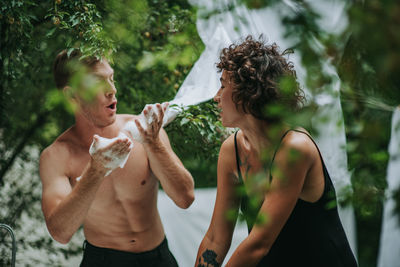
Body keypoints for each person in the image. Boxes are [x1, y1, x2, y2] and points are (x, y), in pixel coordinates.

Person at [195, 36, 357, 267]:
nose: (216, 97)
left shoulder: (295, 148)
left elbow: (258, 244)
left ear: (248, 92)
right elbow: (215, 239)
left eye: (223, 85)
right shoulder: (232, 150)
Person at [40, 49, 195, 267]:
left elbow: (185, 197)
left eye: (111, 79)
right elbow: (60, 232)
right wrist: (96, 170)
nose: (112, 90)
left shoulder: (145, 130)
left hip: (158, 258)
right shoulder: (56, 155)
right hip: (102, 261)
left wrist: (154, 143)